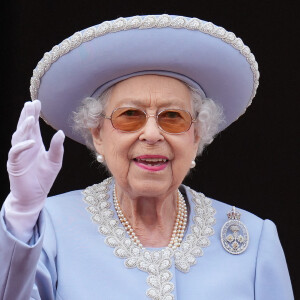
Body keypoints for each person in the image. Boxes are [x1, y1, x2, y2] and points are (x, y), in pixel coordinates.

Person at [0, 14, 294, 300]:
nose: (152, 134)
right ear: (98, 134)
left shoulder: (253, 240)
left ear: (197, 135)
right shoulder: (48, 227)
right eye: (130, 115)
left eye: (173, 117)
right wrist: (22, 215)